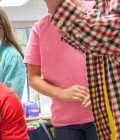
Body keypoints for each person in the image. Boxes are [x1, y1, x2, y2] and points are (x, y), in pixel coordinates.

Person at [43, 0, 120, 139]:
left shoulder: (96, 8)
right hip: (71, 118)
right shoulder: (42, 26)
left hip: (95, 118)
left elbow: (110, 36)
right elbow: (102, 50)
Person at [24, 1, 97, 139]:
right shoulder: (40, 28)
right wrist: (61, 93)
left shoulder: (98, 11)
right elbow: (33, 78)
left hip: (102, 114)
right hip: (64, 122)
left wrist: (101, 94)